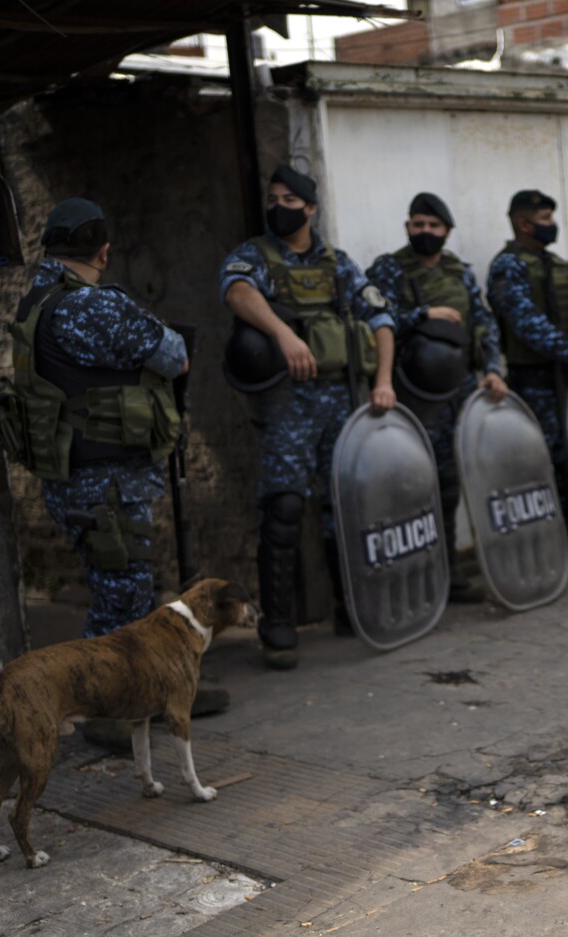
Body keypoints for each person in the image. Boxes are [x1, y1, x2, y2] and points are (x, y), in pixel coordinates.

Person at [219, 164, 396, 671]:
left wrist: (383, 382)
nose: (279, 206)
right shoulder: (256, 256)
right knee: (284, 508)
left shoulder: (338, 263)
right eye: (272, 197)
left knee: (344, 505)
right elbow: (236, 291)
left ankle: (351, 608)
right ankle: (278, 626)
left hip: (340, 398)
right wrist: (284, 333)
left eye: (289, 200)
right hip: (286, 401)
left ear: (310, 208)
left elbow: (380, 318)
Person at [12, 198, 188, 639]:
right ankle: (105, 699)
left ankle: (146, 687)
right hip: (105, 481)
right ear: (104, 252)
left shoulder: (36, 301)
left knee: (125, 592)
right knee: (121, 605)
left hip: (70, 477)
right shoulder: (90, 305)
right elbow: (175, 355)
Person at [367, 192, 508, 604]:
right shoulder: (389, 268)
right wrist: (423, 315)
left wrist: (494, 369)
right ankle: (414, 574)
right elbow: (375, 316)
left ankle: (446, 573)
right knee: (412, 483)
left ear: (447, 231)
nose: (424, 232)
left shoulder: (458, 272)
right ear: (407, 227)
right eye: (417, 225)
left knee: (449, 482)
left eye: (432, 226)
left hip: (459, 388)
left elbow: (483, 323)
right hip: (412, 389)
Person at [486, 189, 568, 522]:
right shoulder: (507, 266)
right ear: (523, 224)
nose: (552, 224)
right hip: (534, 380)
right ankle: (550, 533)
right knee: (543, 460)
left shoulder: (557, 264)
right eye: (544, 218)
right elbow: (526, 323)